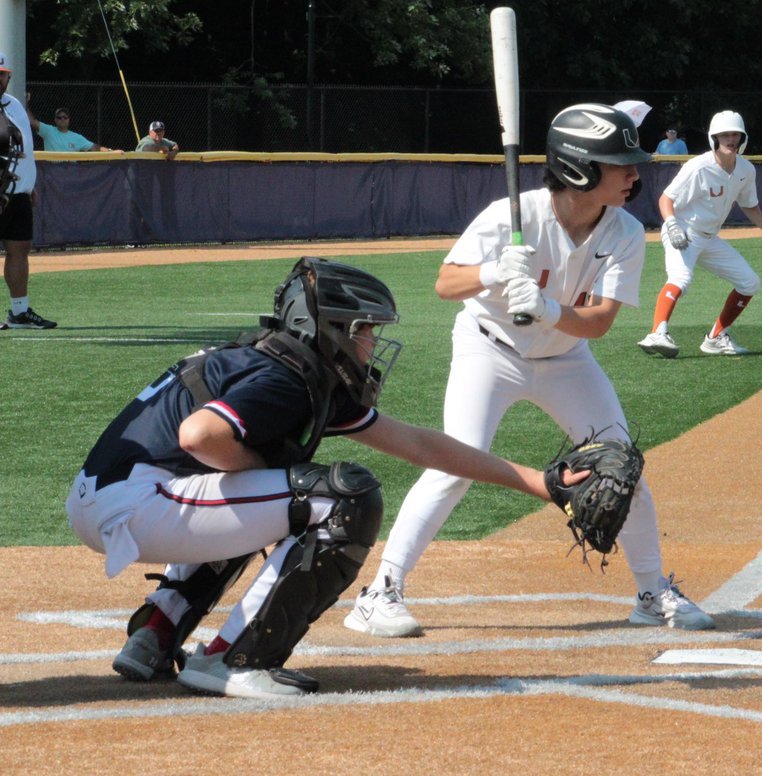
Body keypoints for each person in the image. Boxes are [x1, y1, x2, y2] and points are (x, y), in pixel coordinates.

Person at [66, 257, 589, 698]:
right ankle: (235, 660)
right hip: (141, 501)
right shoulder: (287, 378)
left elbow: (418, 443)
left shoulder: (285, 365)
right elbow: (199, 436)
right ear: (330, 328)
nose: (370, 344)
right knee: (341, 498)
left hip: (119, 496)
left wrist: (540, 483)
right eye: (364, 330)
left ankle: (157, 631)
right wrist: (273, 471)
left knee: (274, 491)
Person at [345, 103, 715, 639]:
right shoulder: (509, 214)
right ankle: (380, 593)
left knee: (620, 467)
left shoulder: (627, 232)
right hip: (487, 350)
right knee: (455, 462)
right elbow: (446, 284)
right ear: (579, 169)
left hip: (567, 359)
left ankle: (652, 592)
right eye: (620, 163)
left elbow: (600, 323)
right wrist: (494, 270)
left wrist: (546, 309)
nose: (635, 172)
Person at [638, 110, 762, 358]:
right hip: (683, 230)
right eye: (724, 134)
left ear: (742, 138)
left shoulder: (746, 169)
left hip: (709, 237)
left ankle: (716, 337)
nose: (730, 139)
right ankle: (657, 332)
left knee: (750, 282)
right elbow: (666, 198)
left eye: (735, 134)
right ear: (714, 138)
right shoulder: (698, 167)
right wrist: (673, 226)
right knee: (681, 279)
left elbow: (748, 203)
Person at [0, 53, 56, 330]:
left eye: (2, 73)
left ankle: (19, 312)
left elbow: (26, 150)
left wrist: (28, 185)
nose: (0, 78)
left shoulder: (15, 105)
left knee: (20, 248)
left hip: (18, 193)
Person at [30, 105, 118, 152]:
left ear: (69, 119)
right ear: (55, 120)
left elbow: (94, 147)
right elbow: (32, 121)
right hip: (51, 175)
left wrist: (111, 152)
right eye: (59, 117)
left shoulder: (76, 137)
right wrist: (25, 103)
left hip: (69, 175)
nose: (62, 119)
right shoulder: (48, 131)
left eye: (65, 117)